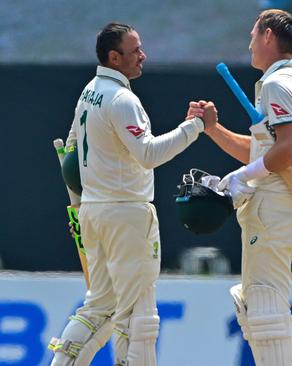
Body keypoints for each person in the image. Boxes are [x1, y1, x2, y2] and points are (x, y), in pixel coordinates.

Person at [48, 22, 215, 366]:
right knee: (138, 314)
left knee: (99, 307)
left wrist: (81, 208)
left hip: (95, 211)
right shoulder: (122, 99)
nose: (143, 56)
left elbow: (71, 159)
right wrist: (195, 127)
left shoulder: (89, 91)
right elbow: (149, 154)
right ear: (114, 56)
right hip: (126, 214)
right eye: (135, 50)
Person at [187, 9, 292, 366]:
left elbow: (289, 150)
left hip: (274, 203)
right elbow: (264, 149)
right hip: (280, 202)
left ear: (269, 36)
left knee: (265, 308)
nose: (250, 44)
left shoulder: (277, 84)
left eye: (253, 35)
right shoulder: (290, 81)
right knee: (256, 306)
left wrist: (244, 176)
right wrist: (213, 128)